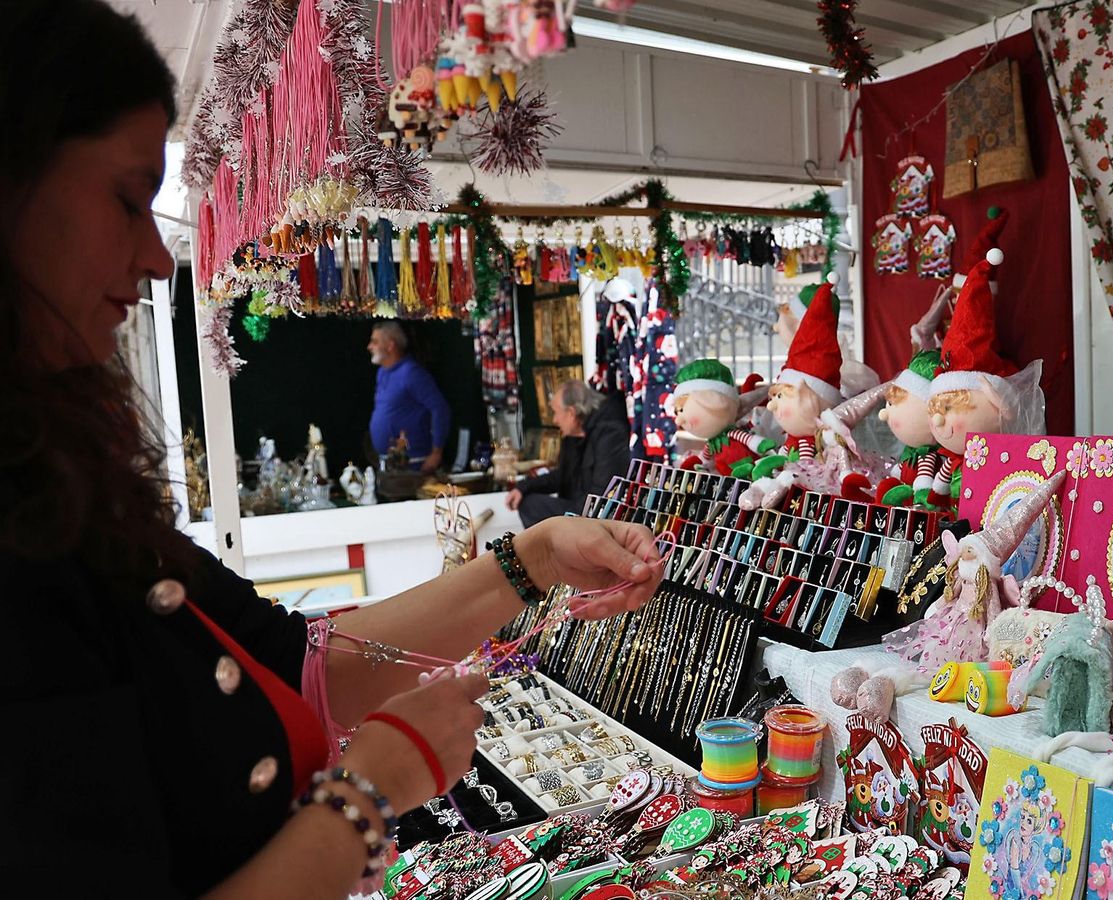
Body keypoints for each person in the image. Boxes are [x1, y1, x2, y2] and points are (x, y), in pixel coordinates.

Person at [0, 3, 662, 896]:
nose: (160, 261)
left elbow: (300, 659)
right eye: (127, 198)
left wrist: (537, 556)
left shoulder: (61, 496)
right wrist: (370, 794)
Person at [508, 380, 630, 526]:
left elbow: (604, 493)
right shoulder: (574, 435)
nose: (555, 419)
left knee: (534, 509)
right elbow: (562, 476)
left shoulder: (610, 434)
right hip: (577, 509)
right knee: (529, 504)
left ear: (571, 413)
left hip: (597, 517)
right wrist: (523, 487)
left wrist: (569, 520)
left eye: (556, 412)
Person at [368, 320, 451, 474]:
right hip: (389, 466)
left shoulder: (411, 373)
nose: (369, 347)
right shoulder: (382, 372)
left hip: (412, 465)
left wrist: (436, 452)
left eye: (374, 342)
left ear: (390, 345)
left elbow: (440, 408)